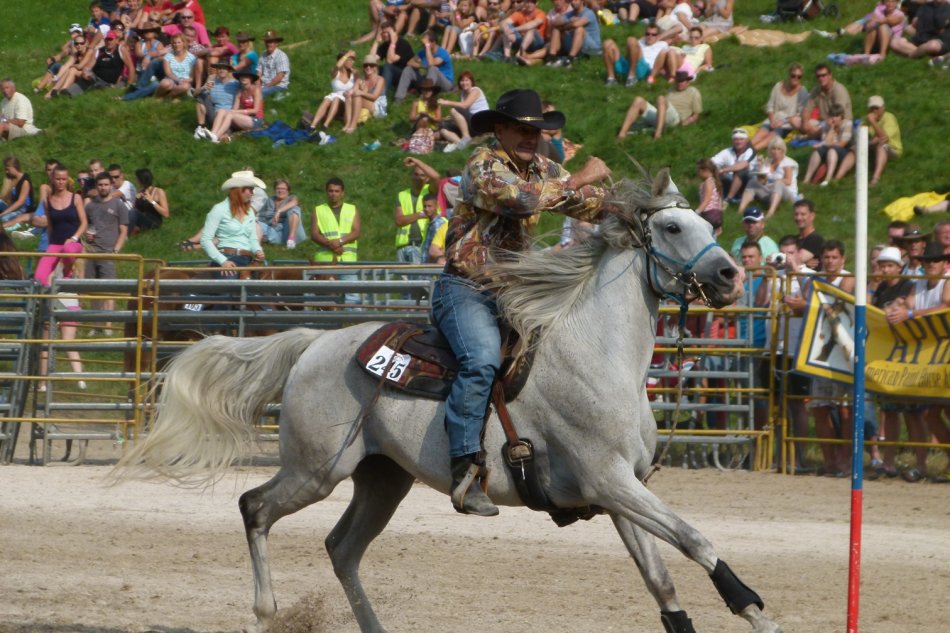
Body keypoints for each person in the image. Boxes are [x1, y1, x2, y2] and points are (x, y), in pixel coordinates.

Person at [431, 89, 609, 515]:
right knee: (481, 360)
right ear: (500, 130)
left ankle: (564, 467)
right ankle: (465, 471)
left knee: (563, 358)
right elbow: (524, 199)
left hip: (512, 294)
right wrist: (580, 179)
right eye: (520, 130)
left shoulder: (543, 169)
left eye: (536, 131)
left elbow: (589, 205)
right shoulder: (482, 165)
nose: (531, 137)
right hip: (466, 288)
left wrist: (640, 209)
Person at [870, 245, 928, 481]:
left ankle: (921, 463)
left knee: (914, 414)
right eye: (882, 265)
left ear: (899, 267)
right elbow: (869, 309)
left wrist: (900, 307)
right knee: (889, 411)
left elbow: (907, 308)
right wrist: (873, 286)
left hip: (909, 356)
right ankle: (889, 461)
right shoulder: (881, 288)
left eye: (889, 265)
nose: (885, 269)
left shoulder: (908, 286)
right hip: (889, 356)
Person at [806, 240, 856, 477]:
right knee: (820, 408)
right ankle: (829, 461)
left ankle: (844, 460)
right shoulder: (816, 281)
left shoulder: (848, 278)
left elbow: (840, 299)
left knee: (845, 410)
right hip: (821, 350)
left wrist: (807, 304)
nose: (830, 261)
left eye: (834, 257)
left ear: (842, 259)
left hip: (843, 351)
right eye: (826, 257)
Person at [84, 171, 129, 329]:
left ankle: (108, 326)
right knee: (93, 290)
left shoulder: (119, 205)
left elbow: (124, 231)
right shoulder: (90, 206)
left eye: (106, 185)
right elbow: (86, 226)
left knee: (109, 290)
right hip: (91, 252)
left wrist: (116, 250)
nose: (103, 187)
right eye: (100, 185)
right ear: (96, 186)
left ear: (111, 186)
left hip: (108, 251)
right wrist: (87, 234)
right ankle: (96, 324)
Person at [200, 171, 266, 277]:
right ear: (240, 190)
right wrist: (223, 261)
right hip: (227, 259)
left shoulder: (249, 212)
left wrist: (258, 250)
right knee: (230, 284)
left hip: (248, 260)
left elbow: (252, 238)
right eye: (250, 189)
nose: (252, 193)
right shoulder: (219, 209)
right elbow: (205, 240)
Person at [35, 165, 88, 288]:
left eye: (64, 179)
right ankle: (49, 295)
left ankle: (67, 271)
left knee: (68, 250)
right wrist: (49, 246)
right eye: (58, 179)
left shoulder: (75, 198)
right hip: (55, 243)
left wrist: (74, 238)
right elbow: (50, 226)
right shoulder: (47, 201)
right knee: (39, 277)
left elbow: (84, 223)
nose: (61, 182)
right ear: (53, 179)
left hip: (73, 243)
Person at [312, 177, 361, 305]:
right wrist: (332, 244)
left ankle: (353, 317)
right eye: (331, 191)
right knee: (325, 298)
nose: (333, 194)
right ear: (326, 192)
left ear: (342, 193)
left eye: (337, 191)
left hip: (347, 260)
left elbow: (356, 232)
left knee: (352, 297)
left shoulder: (352, 209)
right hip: (325, 261)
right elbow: (314, 234)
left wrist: (339, 241)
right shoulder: (318, 210)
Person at [615, 69, 701, 140]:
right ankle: (621, 134)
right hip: (661, 115)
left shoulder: (693, 92)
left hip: (676, 119)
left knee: (660, 98)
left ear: (688, 82)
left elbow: (696, 114)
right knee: (638, 100)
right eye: (678, 81)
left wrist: (687, 121)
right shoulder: (671, 89)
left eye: (682, 81)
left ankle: (657, 135)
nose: (680, 83)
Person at [836, 95, 902, 187]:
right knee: (855, 149)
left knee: (881, 145)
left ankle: (875, 178)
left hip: (891, 148)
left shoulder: (889, 118)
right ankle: (837, 178)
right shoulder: (865, 119)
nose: (874, 110)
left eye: (876, 108)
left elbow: (884, 138)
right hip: (872, 146)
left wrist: (873, 122)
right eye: (872, 108)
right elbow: (858, 136)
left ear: (883, 108)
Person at [750, 63, 808, 152]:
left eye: (799, 77)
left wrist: (783, 121)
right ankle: (743, 149)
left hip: (787, 124)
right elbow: (770, 106)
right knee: (761, 133)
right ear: (789, 74)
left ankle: (751, 151)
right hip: (773, 119)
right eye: (793, 75)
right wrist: (772, 120)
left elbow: (800, 115)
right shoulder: (778, 86)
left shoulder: (802, 91)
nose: (796, 78)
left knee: (771, 136)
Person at [737, 136, 798, 219]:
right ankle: (740, 209)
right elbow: (762, 181)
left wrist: (775, 182)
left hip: (786, 194)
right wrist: (760, 167)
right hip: (770, 191)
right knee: (752, 182)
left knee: (778, 183)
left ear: (783, 150)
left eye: (778, 149)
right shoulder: (767, 161)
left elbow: (788, 181)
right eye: (773, 149)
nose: (776, 151)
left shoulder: (787, 163)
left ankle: (770, 212)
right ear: (770, 150)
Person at [394, 156, 440, 262]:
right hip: (403, 246)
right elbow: (399, 220)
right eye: (415, 174)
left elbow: (436, 177)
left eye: (422, 175)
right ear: (411, 176)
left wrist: (417, 162)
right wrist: (420, 214)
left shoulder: (430, 191)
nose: (418, 177)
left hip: (422, 245)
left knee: (419, 273)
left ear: (427, 178)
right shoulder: (402, 195)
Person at [203, 70, 264, 143]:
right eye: (241, 76)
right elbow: (234, 109)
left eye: (246, 76)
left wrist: (237, 112)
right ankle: (212, 133)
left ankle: (216, 136)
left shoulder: (256, 90)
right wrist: (232, 112)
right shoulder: (240, 92)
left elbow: (255, 110)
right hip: (244, 119)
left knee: (230, 115)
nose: (243, 78)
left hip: (256, 119)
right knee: (222, 111)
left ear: (251, 79)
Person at [394, 29, 454, 102]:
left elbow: (431, 63)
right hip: (427, 80)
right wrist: (422, 66)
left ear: (433, 42)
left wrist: (427, 47)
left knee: (433, 69)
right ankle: (399, 99)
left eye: (426, 43)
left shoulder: (443, 53)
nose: (423, 45)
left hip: (445, 83)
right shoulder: (423, 52)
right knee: (408, 69)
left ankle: (424, 98)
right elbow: (409, 62)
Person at [801, 103, 853, 187]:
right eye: (831, 116)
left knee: (832, 150)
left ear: (841, 117)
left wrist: (826, 144)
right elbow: (826, 141)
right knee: (817, 151)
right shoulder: (826, 125)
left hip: (844, 151)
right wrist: (831, 128)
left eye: (836, 116)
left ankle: (828, 179)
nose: (833, 118)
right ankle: (806, 179)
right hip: (830, 147)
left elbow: (842, 144)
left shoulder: (847, 124)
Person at [437, 70, 488, 151]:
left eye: (466, 80)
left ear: (471, 82)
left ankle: (466, 137)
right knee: (443, 130)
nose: (464, 83)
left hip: (480, 123)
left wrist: (447, 102)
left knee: (454, 110)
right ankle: (461, 144)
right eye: (462, 81)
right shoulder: (463, 93)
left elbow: (465, 105)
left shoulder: (475, 91)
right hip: (471, 123)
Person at [602, 26, 669, 86]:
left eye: (653, 35)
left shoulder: (662, 44)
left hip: (645, 69)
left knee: (631, 40)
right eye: (647, 34)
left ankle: (632, 77)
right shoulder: (640, 42)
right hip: (630, 65)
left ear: (658, 36)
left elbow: (664, 57)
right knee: (607, 43)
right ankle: (611, 79)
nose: (650, 36)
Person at [308, 50, 357, 132]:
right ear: (343, 60)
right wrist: (347, 54)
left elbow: (359, 85)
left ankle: (325, 125)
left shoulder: (353, 73)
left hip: (346, 100)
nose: (352, 62)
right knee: (327, 99)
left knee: (336, 99)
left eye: (352, 60)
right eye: (349, 60)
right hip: (334, 97)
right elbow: (337, 65)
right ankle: (312, 125)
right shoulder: (335, 73)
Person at [800, 63, 852, 140]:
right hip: (823, 122)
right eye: (818, 76)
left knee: (819, 129)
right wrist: (805, 123)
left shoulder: (839, 90)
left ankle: (812, 135)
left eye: (823, 75)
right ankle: (813, 134)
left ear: (830, 75)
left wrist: (817, 129)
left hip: (839, 123)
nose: (821, 78)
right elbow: (807, 110)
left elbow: (838, 116)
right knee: (796, 120)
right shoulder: (816, 90)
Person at [546, 0, 603, 67]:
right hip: (578, 45)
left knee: (579, 29)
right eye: (571, 0)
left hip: (592, 48)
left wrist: (565, 26)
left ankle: (570, 59)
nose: (573, 2)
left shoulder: (589, 13)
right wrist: (569, 20)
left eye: (575, 0)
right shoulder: (570, 14)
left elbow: (575, 25)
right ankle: (552, 58)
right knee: (557, 29)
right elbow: (555, 23)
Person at [343, 54, 387, 134]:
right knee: (349, 96)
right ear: (363, 67)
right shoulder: (360, 79)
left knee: (357, 96)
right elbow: (353, 90)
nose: (368, 67)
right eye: (366, 65)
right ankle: (347, 124)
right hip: (368, 104)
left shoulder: (380, 79)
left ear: (375, 67)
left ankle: (353, 125)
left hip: (379, 106)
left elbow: (374, 97)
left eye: (371, 65)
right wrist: (348, 93)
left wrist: (361, 92)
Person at [710, 128, 756, 205]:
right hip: (731, 179)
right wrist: (714, 170)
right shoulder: (727, 151)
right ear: (732, 141)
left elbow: (743, 165)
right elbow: (711, 162)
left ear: (747, 140)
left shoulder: (750, 151)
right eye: (736, 139)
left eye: (741, 139)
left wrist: (723, 170)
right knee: (711, 171)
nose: (738, 142)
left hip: (748, 181)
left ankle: (728, 200)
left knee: (741, 171)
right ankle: (713, 196)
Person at [194, 62, 238, 138]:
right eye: (219, 68)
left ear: (228, 71)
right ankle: (201, 127)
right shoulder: (212, 83)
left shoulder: (235, 84)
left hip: (229, 116)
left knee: (224, 134)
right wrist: (204, 87)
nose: (221, 70)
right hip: (214, 114)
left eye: (224, 69)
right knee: (200, 98)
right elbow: (195, 94)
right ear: (216, 70)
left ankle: (217, 134)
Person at [258, 179, 305, 249]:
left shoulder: (291, 198)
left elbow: (295, 202)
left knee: (294, 210)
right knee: (254, 222)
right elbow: (261, 216)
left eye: (283, 189)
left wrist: (279, 211)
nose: (280, 191)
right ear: (274, 190)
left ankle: (291, 240)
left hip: (287, 230)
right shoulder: (270, 200)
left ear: (288, 190)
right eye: (278, 188)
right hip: (273, 230)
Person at [375, 20, 416, 96]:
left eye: (388, 32)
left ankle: (383, 96)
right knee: (373, 67)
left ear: (394, 33)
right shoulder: (385, 45)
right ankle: (368, 90)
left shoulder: (403, 44)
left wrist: (393, 42)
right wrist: (376, 42)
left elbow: (390, 60)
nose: (385, 35)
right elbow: (371, 59)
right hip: (394, 75)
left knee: (388, 66)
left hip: (406, 77)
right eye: (383, 32)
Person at [0, 157, 36, 230]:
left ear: (14, 167)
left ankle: (20, 223)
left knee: (4, 218)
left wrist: (3, 213)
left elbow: (20, 202)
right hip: (13, 207)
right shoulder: (10, 179)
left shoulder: (25, 181)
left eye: (8, 169)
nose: (6, 172)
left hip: (24, 209)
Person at [130, 167, 169, 233]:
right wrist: (136, 200)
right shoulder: (140, 192)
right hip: (143, 221)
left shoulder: (159, 191)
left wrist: (152, 201)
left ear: (142, 180)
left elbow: (166, 214)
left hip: (154, 223)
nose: (136, 181)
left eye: (137, 179)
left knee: (134, 213)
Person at [792, 199, 824, 269]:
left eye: (803, 214)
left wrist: (800, 262)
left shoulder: (815, 239)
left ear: (812, 215)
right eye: (796, 214)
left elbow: (797, 260)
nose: (799, 218)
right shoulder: (793, 239)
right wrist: (804, 263)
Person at [259, 30, 290, 98]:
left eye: (271, 42)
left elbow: (279, 77)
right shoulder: (263, 55)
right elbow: (259, 72)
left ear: (276, 43)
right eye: (267, 42)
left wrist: (267, 86)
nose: (268, 44)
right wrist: (256, 85)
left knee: (260, 93)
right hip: (264, 85)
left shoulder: (281, 56)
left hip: (278, 86)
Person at [419, 193, 445, 263]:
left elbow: (438, 248)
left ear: (436, 206)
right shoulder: (429, 223)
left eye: (430, 206)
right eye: (424, 206)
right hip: (426, 264)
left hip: (432, 265)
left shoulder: (437, 224)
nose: (426, 209)